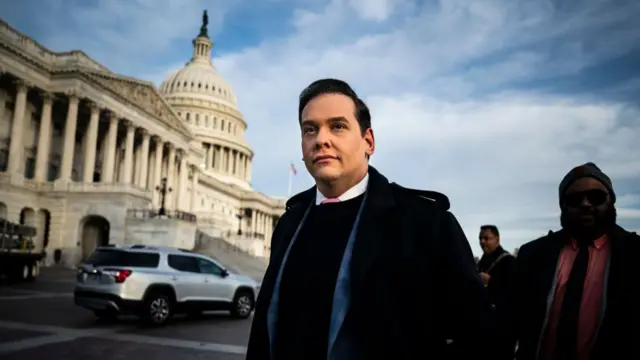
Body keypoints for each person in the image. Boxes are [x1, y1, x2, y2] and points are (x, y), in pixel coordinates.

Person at [246, 78, 496, 360]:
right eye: (310, 129)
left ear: (368, 141)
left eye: (337, 126)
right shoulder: (289, 224)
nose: (321, 139)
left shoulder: (426, 224)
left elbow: (479, 337)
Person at [501, 162, 639, 360]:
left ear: (611, 201)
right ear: (563, 206)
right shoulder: (533, 254)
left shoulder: (634, 254)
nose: (585, 204)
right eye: (574, 199)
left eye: (596, 197)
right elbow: (508, 323)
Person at [477, 225, 516, 308]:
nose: (482, 241)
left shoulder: (509, 261)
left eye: (486, 238)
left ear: (497, 240)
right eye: (480, 238)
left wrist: (490, 282)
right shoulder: (480, 263)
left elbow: (515, 292)